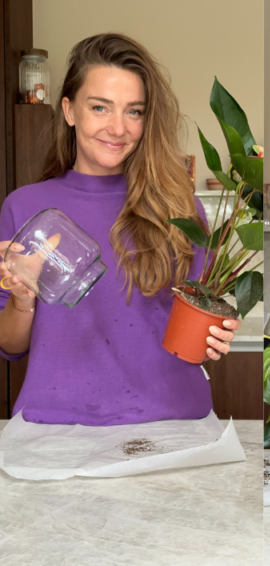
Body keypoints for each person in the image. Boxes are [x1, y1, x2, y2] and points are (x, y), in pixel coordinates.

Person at [0, 33, 240, 425]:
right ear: (69, 109)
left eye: (134, 111)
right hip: (57, 431)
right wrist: (22, 300)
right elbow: (9, 344)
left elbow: (204, 314)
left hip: (171, 426)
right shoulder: (23, 207)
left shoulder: (179, 208)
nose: (118, 128)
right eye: (100, 107)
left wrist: (218, 335)